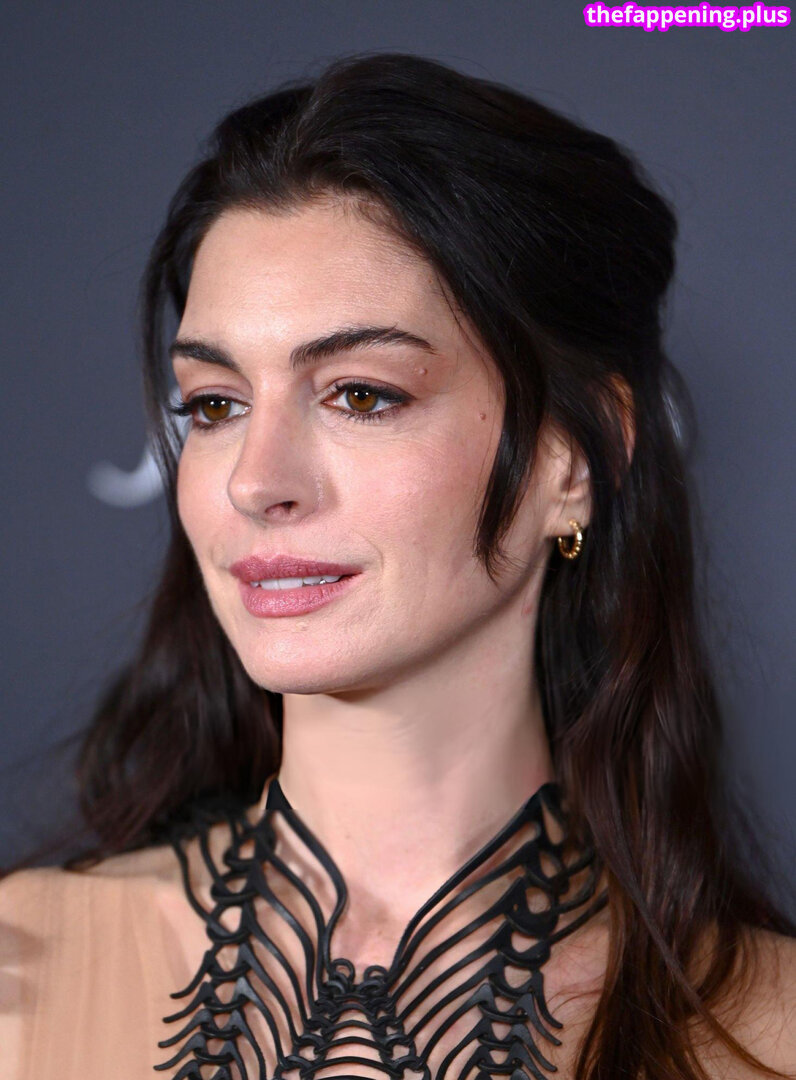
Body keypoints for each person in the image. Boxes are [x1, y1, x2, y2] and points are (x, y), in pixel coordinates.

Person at [0, 50, 793, 1080]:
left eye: (361, 395)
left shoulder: (767, 1029)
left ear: (571, 460)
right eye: (216, 405)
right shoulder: (28, 975)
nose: (256, 481)